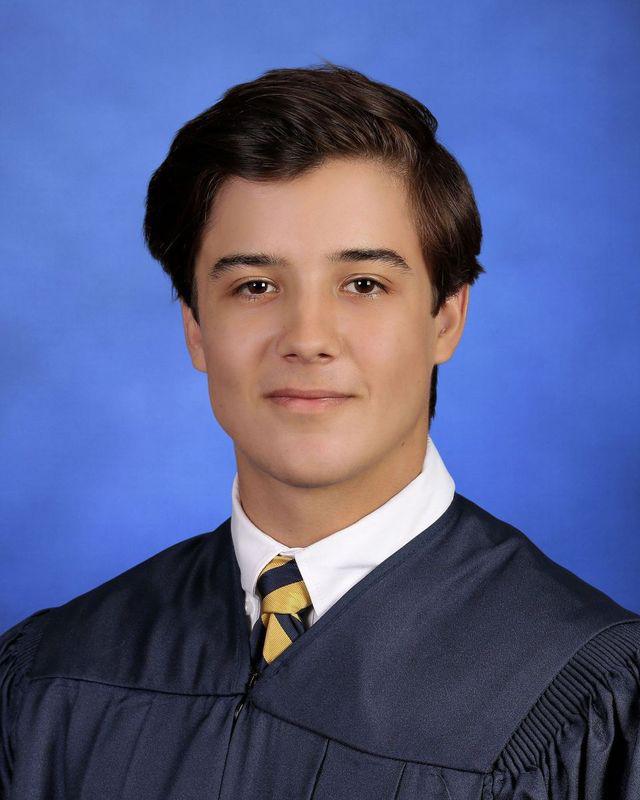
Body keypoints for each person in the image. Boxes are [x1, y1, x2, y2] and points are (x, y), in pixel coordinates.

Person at [1, 62, 638, 800]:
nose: (307, 338)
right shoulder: (55, 676)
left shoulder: (588, 700)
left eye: (364, 284)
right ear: (196, 328)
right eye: (255, 286)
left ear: (446, 317)